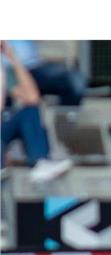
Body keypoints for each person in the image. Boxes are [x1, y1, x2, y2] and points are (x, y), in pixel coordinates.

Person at [1, 42, 73, 182]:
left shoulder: (4, 71)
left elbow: (32, 97)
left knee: (29, 112)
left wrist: (13, 58)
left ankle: (40, 162)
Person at [5, 40, 86, 106]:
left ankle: (63, 121)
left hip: (34, 66)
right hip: (6, 70)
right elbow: (32, 98)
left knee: (75, 80)